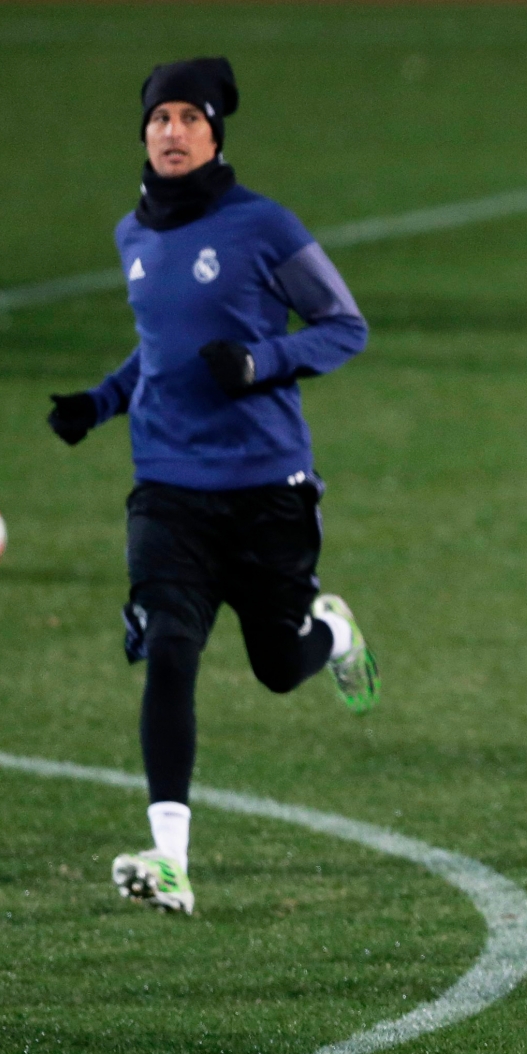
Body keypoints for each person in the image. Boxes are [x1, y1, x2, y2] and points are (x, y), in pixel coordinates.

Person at [46, 58, 380, 917]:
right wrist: (101, 401)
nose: (172, 132)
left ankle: (332, 632)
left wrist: (261, 361)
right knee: (169, 649)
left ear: (214, 133)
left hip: (266, 488)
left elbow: (346, 326)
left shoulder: (263, 226)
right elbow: (158, 350)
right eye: (159, 119)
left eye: (189, 118)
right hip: (167, 488)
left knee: (277, 666)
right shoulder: (134, 236)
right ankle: (170, 861)